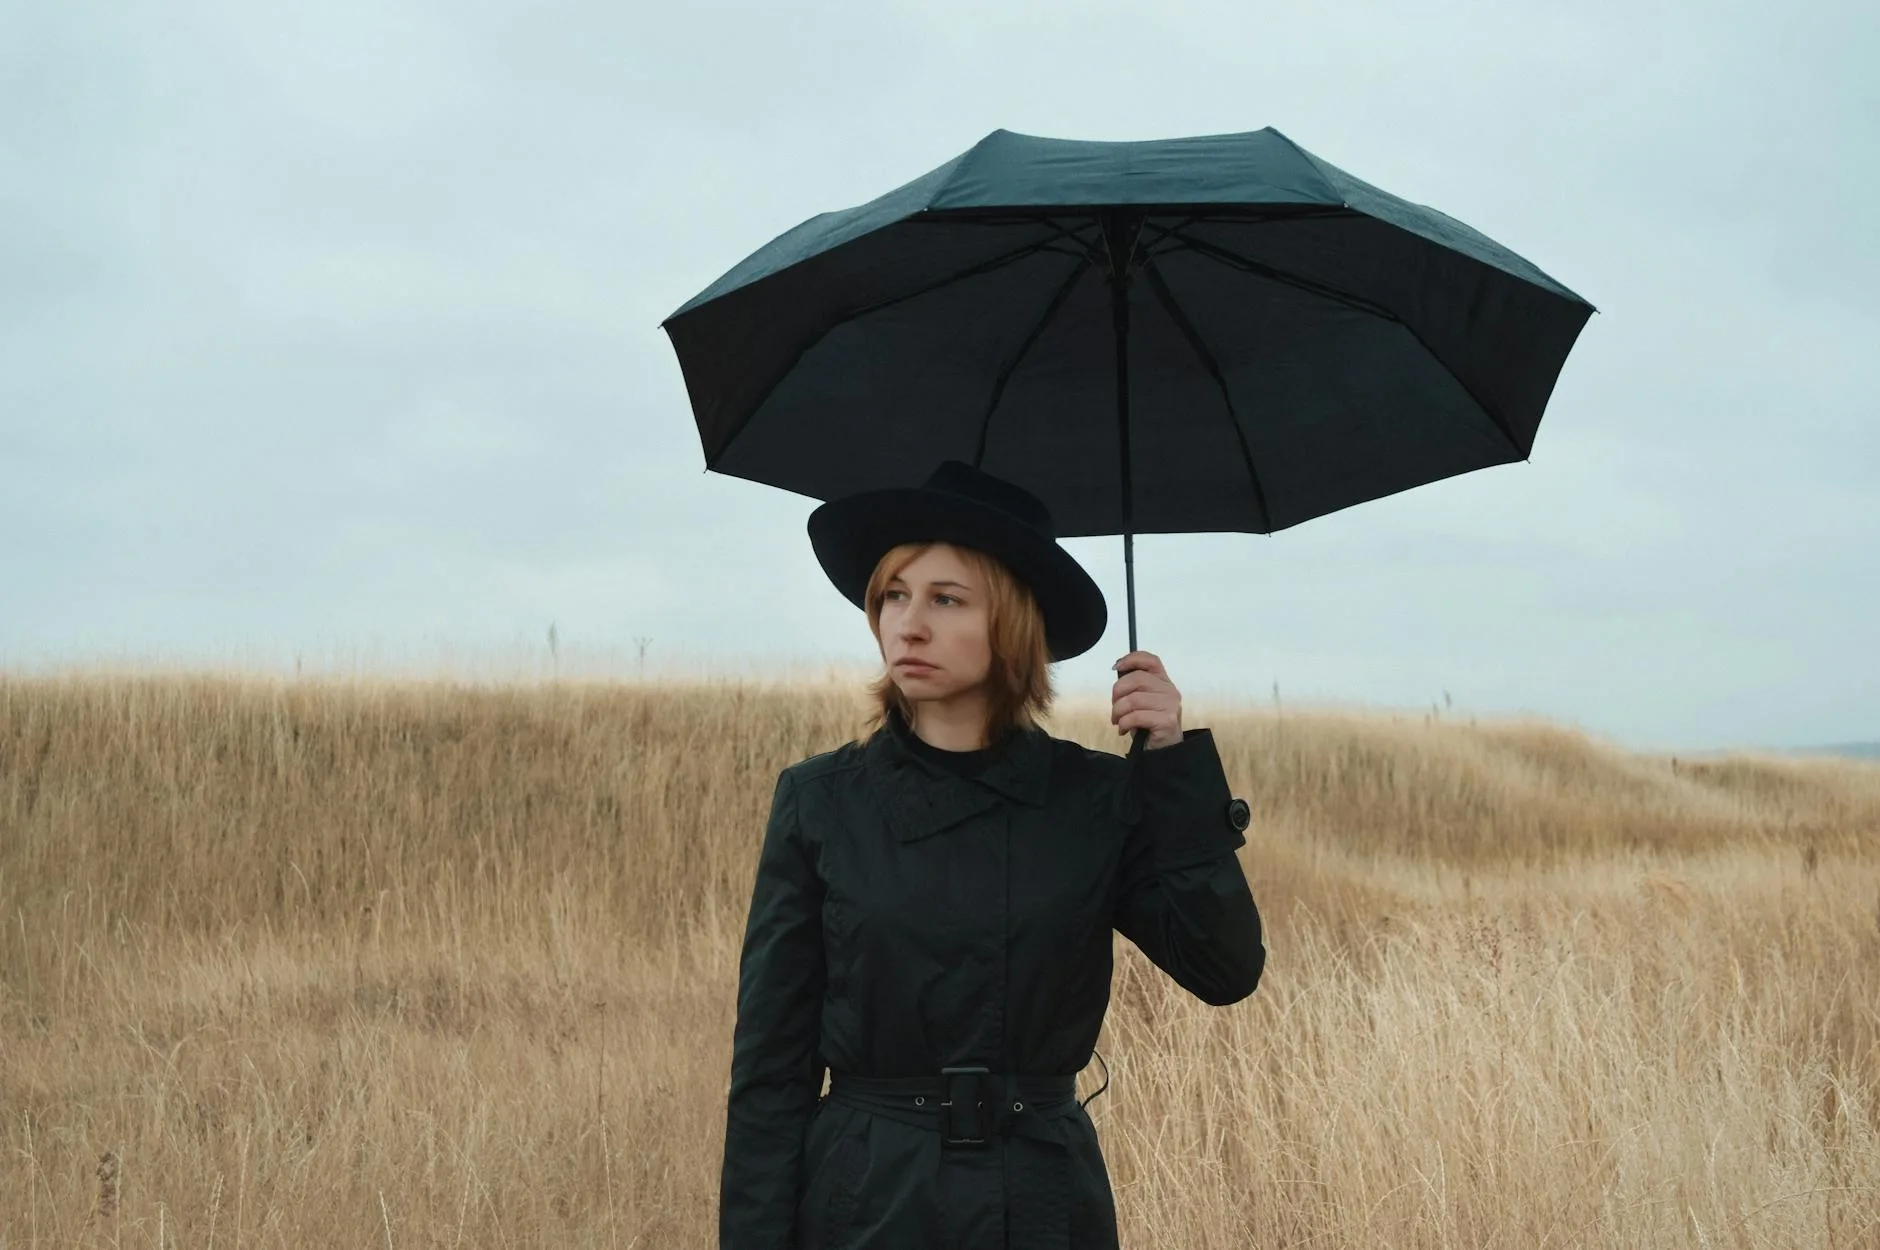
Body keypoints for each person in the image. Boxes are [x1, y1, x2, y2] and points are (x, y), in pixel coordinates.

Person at [719, 460, 1265, 1250]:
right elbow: (771, 1072)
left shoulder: (1092, 800)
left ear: (1012, 623)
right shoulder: (822, 801)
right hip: (869, 1201)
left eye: (946, 599)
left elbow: (1225, 968)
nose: (908, 625)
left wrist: (1174, 768)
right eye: (894, 595)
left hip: (1042, 1200)